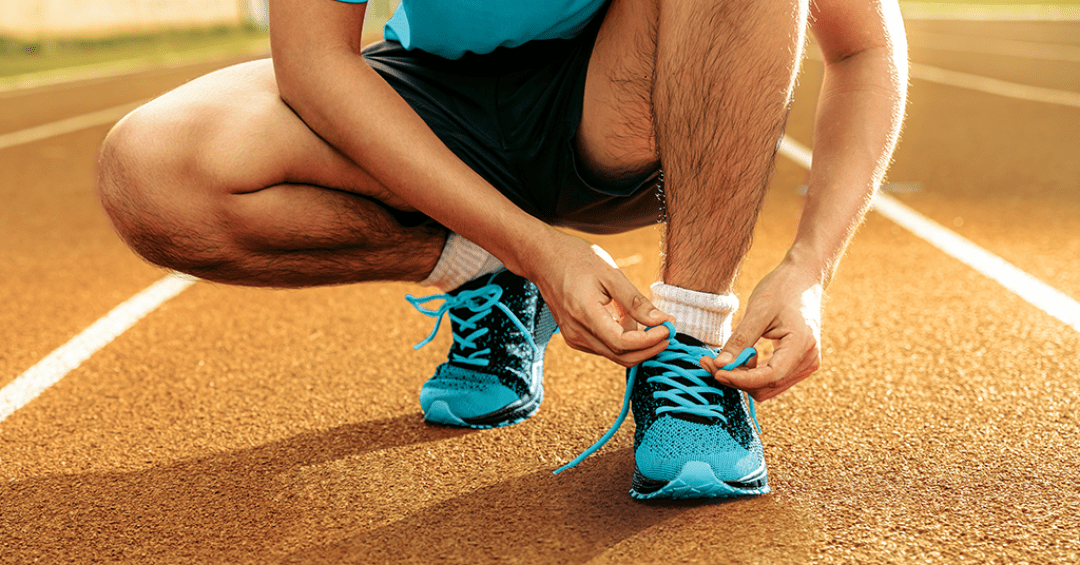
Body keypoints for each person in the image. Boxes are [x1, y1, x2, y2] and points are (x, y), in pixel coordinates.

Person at [95, 0, 908, 499]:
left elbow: (864, 46)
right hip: (433, 91)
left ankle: (689, 342)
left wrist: (808, 268)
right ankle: (484, 267)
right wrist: (526, 247)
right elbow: (312, 64)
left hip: (623, 103)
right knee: (151, 173)